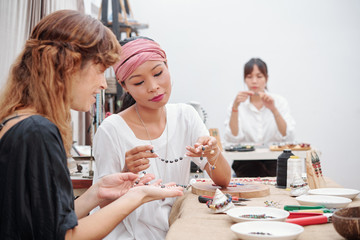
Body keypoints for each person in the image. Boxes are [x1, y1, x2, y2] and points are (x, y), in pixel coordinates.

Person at [0, 10, 183, 240]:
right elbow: (66, 236)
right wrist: (137, 197)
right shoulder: (38, 132)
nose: (102, 84)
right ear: (69, 66)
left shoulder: (16, 121)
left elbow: (41, 221)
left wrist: (96, 193)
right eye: (99, 71)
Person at [92, 36, 232, 240]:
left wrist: (213, 155)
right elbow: (102, 205)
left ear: (167, 66)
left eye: (158, 73)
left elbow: (223, 179)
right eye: (139, 81)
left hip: (174, 230)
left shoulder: (186, 116)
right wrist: (125, 174)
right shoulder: (111, 130)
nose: (153, 86)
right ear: (124, 85)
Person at [224, 58, 296, 177]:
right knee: (253, 170)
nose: (254, 81)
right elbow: (233, 138)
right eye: (249, 77)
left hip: (275, 159)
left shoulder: (279, 101)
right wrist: (235, 108)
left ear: (266, 78)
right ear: (244, 79)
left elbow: (287, 136)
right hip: (246, 162)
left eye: (259, 76)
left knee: (279, 170)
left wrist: (273, 109)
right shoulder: (237, 103)